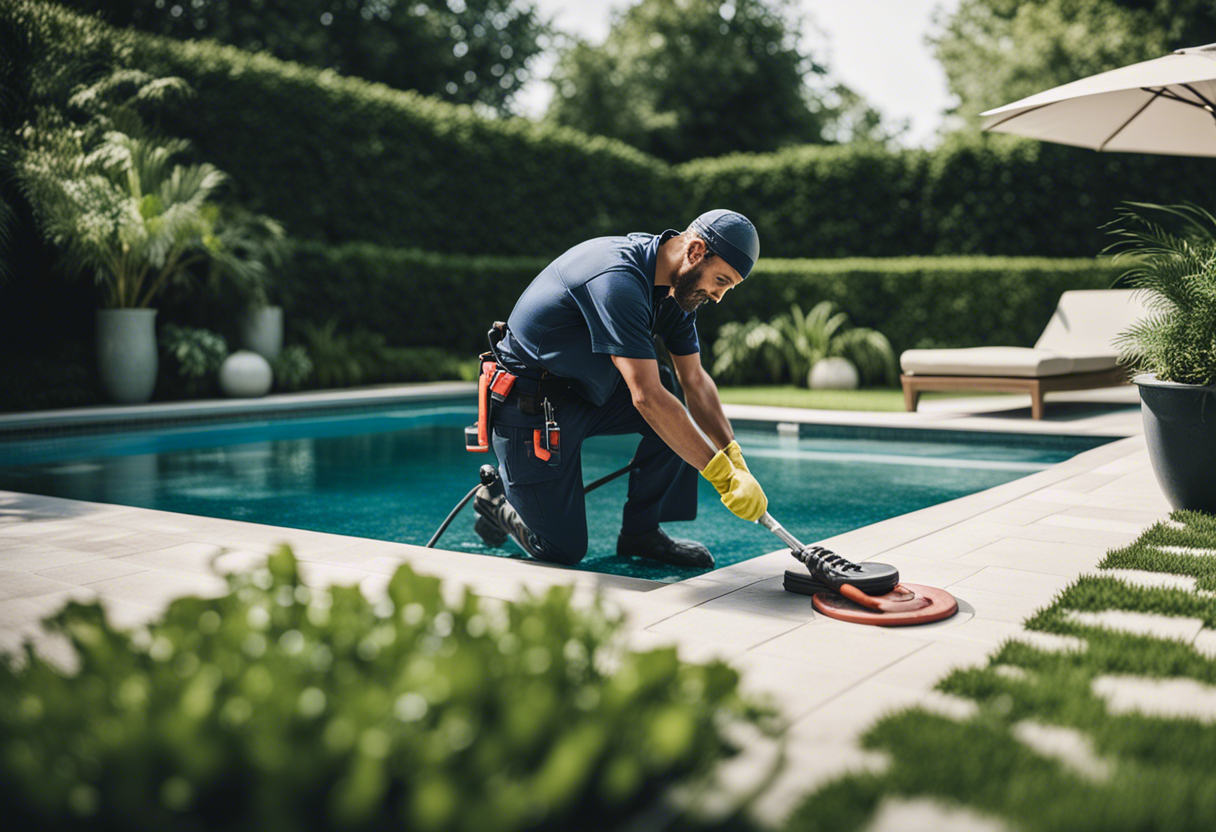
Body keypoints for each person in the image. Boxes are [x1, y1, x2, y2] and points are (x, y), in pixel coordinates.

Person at [473, 209, 768, 569]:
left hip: (585, 392)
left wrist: (734, 458)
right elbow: (645, 396)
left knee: (672, 403)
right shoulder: (618, 278)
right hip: (532, 406)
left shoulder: (677, 291)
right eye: (720, 280)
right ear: (695, 251)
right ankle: (495, 502)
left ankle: (640, 533)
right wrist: (721, 477)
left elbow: (695, 380)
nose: (719, 296)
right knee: (562, 550)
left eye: (728, 287)